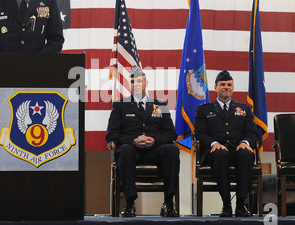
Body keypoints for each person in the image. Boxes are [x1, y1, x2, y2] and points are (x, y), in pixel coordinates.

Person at [106, 66, 180, 217]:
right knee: (125, 150)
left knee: (172, 150)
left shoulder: (160, 105)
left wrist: (154, 140)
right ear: (129, 85)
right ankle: (130, 203)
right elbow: (112, 134)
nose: (136, 84)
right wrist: (133, 141)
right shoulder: (120, 105)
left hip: (155, 151)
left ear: (146, 83)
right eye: (132, 82)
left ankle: (168, 202)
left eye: (139, 81)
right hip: (132, 151)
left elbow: (171, 133)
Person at [194, 69, 258, 217]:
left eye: (229, 84)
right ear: (215, 88)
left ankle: (241, 204)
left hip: (237, 150)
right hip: (215, 152)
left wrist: (245, 142)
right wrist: (213, 143)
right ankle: (226, 204)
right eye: (222, 84)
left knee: (247, 154)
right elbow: (200, 133)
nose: (226, 87)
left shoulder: (245, 109)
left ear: (233, 88)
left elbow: (252, 132)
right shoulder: (204, 110)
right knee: (220, 153)